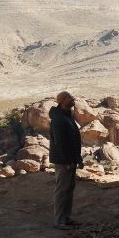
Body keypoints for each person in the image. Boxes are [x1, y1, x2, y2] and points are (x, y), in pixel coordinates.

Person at [49, 91, 83, 230]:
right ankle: (59, 221)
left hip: (70, 159)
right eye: (69, 97)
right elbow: (60, 143)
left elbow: (73, 140)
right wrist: (68, 161)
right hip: (64, 161)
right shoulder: (58, 119)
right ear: (62, 101)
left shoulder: (67, 116)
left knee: (69, 189)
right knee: (62, 190)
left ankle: (66, 218)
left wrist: (77, 159)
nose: (73, 98)